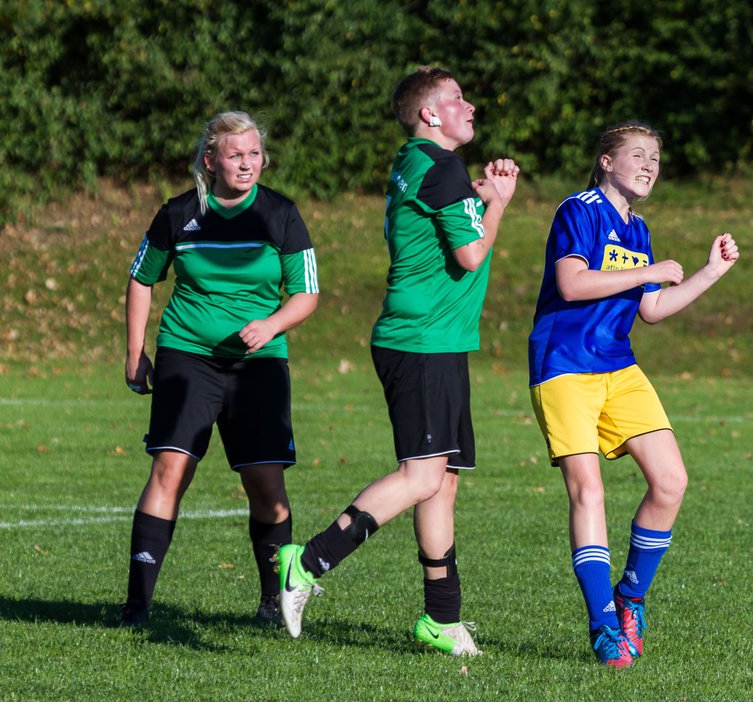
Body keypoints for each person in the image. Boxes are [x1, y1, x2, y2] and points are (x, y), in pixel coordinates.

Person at [276, 66, 518, 655]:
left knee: (443, 484)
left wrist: (480, 194)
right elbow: (468, 253)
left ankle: (441, 618)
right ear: (429, 115)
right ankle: (306, 562)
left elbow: (446, 214)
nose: (470, 106)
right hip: (420, 342)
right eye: (457, 99)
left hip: (436, 341)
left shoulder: (421, 163)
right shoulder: (440, 166)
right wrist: (501, 203)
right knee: (423, 476)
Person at [527, 121, 740, 668]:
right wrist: (649, 271)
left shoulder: (638, 229)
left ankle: (630, 598)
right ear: (605, 161)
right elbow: (572, 284)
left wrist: (710, 273)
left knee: (671, 481)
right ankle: (602, 626)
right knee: (588, 491)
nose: (650, 165)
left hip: (618, 365)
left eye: (656, 159)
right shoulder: (577, 209)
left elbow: (652, 309)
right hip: (564, 366)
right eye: (638, 155)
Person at [122, 111, 320, 627]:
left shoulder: (280, 214)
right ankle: (137, 607)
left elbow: (306, 293)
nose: (247, 164)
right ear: (210, 161)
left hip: (259, 366)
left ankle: (273, 603)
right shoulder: (179, 213)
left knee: (266, 484)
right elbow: (142, 279)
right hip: (187, 357)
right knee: (170, 470)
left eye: (254, 154)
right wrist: (134, 350)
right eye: (235, 155)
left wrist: (273, 324)